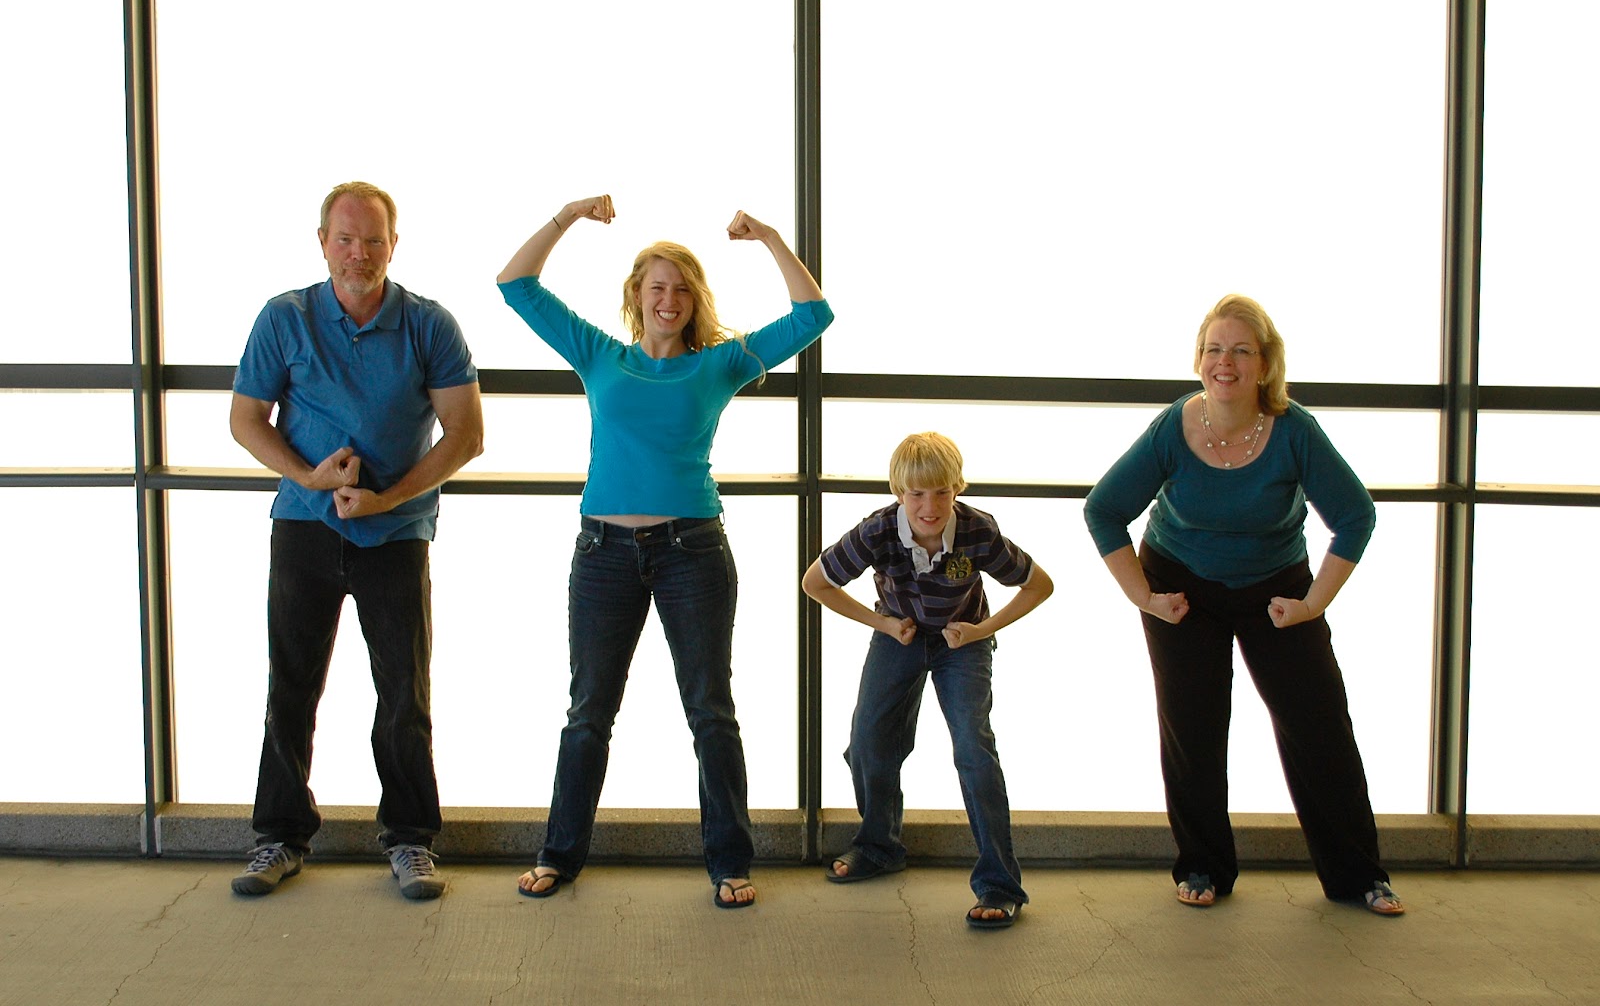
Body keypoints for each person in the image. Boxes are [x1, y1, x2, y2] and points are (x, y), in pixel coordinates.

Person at [496, 194, 832, 910]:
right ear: (637, 295)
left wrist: (770, 237)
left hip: (692, 552)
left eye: (681, 288)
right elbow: (515, 285)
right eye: (656, 286)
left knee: (711, 710)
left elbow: (813, 316)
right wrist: (568, 216)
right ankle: (558, 855)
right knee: (588, 712)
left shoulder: (720, 365)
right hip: (602, 553)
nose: (668, 299)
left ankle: (730, 863)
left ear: (694, 300)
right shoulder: (598, 354)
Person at [1082, 294, 1403, 916]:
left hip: (1276, 587)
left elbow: (1356, 516)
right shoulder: (1174, 426)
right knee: (1193, 728)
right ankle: (1203, 866)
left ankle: (1359, 876)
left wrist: (1312, 604)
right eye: (1213, 349)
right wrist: (1144, 597)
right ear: (1198, 359)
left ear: (1264, 364)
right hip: (1181, 586)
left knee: (1319, 727)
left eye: (1240, 350)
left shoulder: (1293, 430)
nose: (1224, 362)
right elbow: (1104, 509)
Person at [228, 181, 484, 900]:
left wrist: (387, 498)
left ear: (393, 245)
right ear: (323, 243)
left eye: (373, 240)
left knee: (403, 693)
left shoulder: (430, 325)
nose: (358, 253)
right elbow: (246, 420)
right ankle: (279, 837)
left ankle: (409, 840)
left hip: (396, 534)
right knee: (291, 685)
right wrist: (310, 477)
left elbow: (467, 435)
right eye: (345, 239)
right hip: (303, 528)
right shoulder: (284, 317)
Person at [802, 431, 1054, 929]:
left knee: (973, 749)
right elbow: (816, 583)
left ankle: (999, 884)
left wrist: (982, 629)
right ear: (899, 492)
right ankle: (879, 845)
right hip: (899, 636)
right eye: (917, 494)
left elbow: (1039, 585)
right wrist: (883, 624)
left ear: (958, 487)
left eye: (942, 492)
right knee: (868, 741)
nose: (930, 506)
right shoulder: (877, 531)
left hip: (963, 643)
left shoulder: (978, 531)